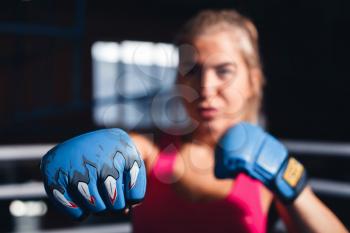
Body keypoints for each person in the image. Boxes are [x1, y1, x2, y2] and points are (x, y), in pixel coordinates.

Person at [40, 9, 348, 233]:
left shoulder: (269, 166)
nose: (204, 88)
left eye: (223, 71)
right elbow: (126, 148)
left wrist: (289, 180)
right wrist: (99, 152)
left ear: (253, 81)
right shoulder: (152, 153)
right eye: (192, 70)